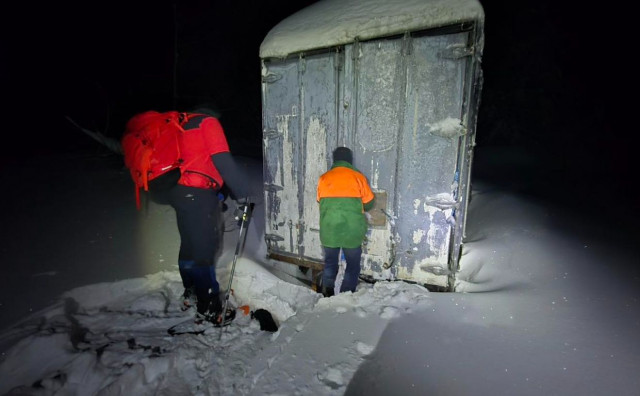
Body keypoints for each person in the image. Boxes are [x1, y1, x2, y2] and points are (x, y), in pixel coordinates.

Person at [133, 105, 251, 325]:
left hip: (177, 192)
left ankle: (191, 291)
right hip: (196, 193)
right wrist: (242, 195)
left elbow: (194, 162)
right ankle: (210, 307)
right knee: (203, 250)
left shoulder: (182, 124)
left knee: (189, 243)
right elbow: (223, 161)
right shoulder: (208, 123)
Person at [316, 147, 375, 297]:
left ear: (335, 160)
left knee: (330, 263)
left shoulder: (324, 178)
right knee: (352, 265)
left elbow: (319, 200)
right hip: (352, 231)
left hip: (329, 230)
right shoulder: (358, 177)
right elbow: (369, 203)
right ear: (349, 160)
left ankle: (327, 293)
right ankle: (345, 295)